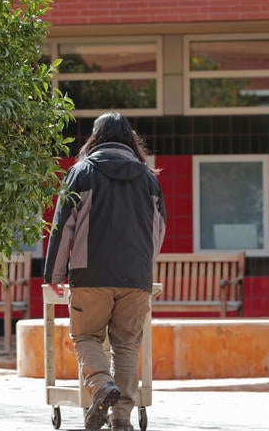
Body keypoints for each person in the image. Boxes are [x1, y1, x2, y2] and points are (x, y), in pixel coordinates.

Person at [43, 112, 166, 431]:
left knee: (85, 335)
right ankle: (121, 417)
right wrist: (142, 269)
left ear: (94, 139)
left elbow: (62, 227)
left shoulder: (81, 173)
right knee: (126, 344)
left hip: (90, 275)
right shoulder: (148, 178)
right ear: (129, 139)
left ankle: (101, 385)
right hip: (136, 279)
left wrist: (54, 276)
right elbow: (158, 230)